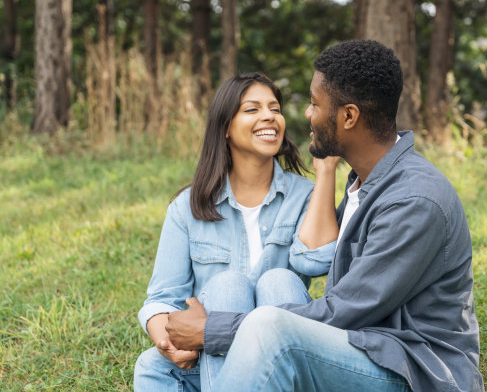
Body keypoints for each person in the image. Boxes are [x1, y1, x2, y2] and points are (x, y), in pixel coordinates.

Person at [166, 40, 485, 392]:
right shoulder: (365, 185)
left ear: (348, 116)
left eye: (315, 104)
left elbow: (344, 311)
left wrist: (213, 330)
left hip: (413, 369)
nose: (306, 114)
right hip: (369, 348)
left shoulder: (413, 200)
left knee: (271, 326)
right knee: (156, 365)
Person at [133, 72, 340, 392]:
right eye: (252, 109)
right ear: (226, 127)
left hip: (284, 357)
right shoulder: (187, 208)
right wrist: (168, 342)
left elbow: (314, 261)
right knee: (154, 363)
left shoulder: (305, 196)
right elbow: (162, 299)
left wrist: (326, 171)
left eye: (274, 108)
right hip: (216, 358)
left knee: (279, 280)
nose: (269, 116)